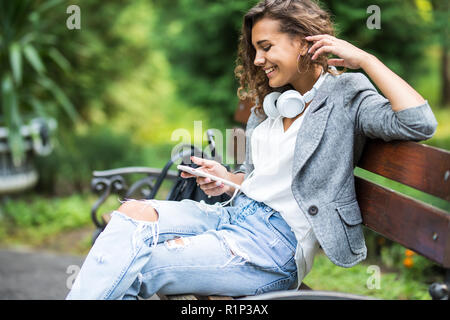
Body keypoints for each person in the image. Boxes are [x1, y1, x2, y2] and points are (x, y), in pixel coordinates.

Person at [67, 0, 437, 300]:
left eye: (266, 47)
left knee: (135, 265)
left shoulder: (345, 95)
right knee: (130, 214)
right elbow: (254, 176)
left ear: (305, 42)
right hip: (233, 216)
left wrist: (366, 61)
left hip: (273, 247)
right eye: (255, 50)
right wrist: (228, 179)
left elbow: (420, 122)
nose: (258, 60)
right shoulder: (272, 104)